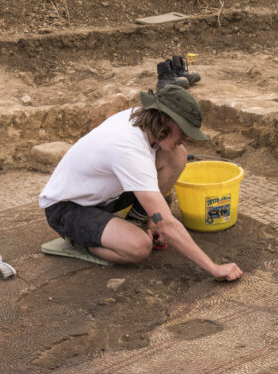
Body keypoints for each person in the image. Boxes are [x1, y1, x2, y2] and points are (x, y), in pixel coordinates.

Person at [39, 85, 242, 281]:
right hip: (67, 209)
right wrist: (213, 268)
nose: (187, 139)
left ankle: (138, 221)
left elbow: (163, 215)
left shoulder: (145, 120)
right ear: (164, 119)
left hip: (104, 196)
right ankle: (78, 242)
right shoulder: (128, 148)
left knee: (176, 154)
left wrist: (156, 223)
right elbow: (168, 224)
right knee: (139, 247)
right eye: (184, 131)